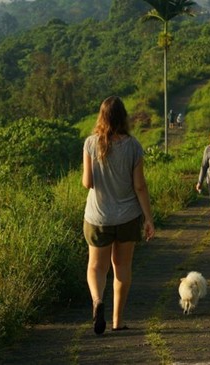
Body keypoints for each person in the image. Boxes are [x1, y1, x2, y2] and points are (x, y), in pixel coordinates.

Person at [82, 96, 155, 335]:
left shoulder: (91, 144)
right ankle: (117, 321)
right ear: (124, 117)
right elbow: (140, 187)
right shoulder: (133, 146)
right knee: (121, 268)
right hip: (127, 216)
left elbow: (87, 183)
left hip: (98, 216)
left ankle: (96, 300)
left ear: (101, 117)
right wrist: (149, 219)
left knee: (96, 267)